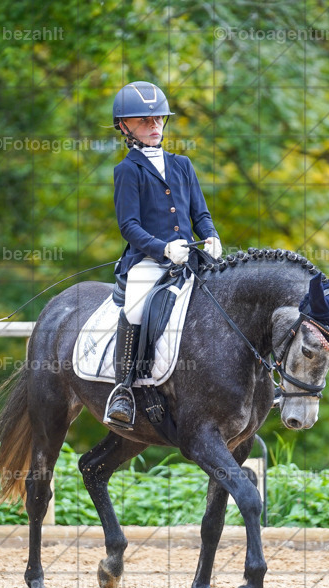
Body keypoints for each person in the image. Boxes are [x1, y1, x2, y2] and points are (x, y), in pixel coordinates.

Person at [103, 81, 222, 428]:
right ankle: (123, 390)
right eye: (144, 120)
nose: (155, 126)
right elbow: (129, 226)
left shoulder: (182, 164)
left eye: (158, 119)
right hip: (149, 261)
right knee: (136, 306)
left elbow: (200, 214)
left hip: (192, 259)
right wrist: (163, 248)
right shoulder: (127, 171)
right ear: (124, 126)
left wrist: (211, 236)